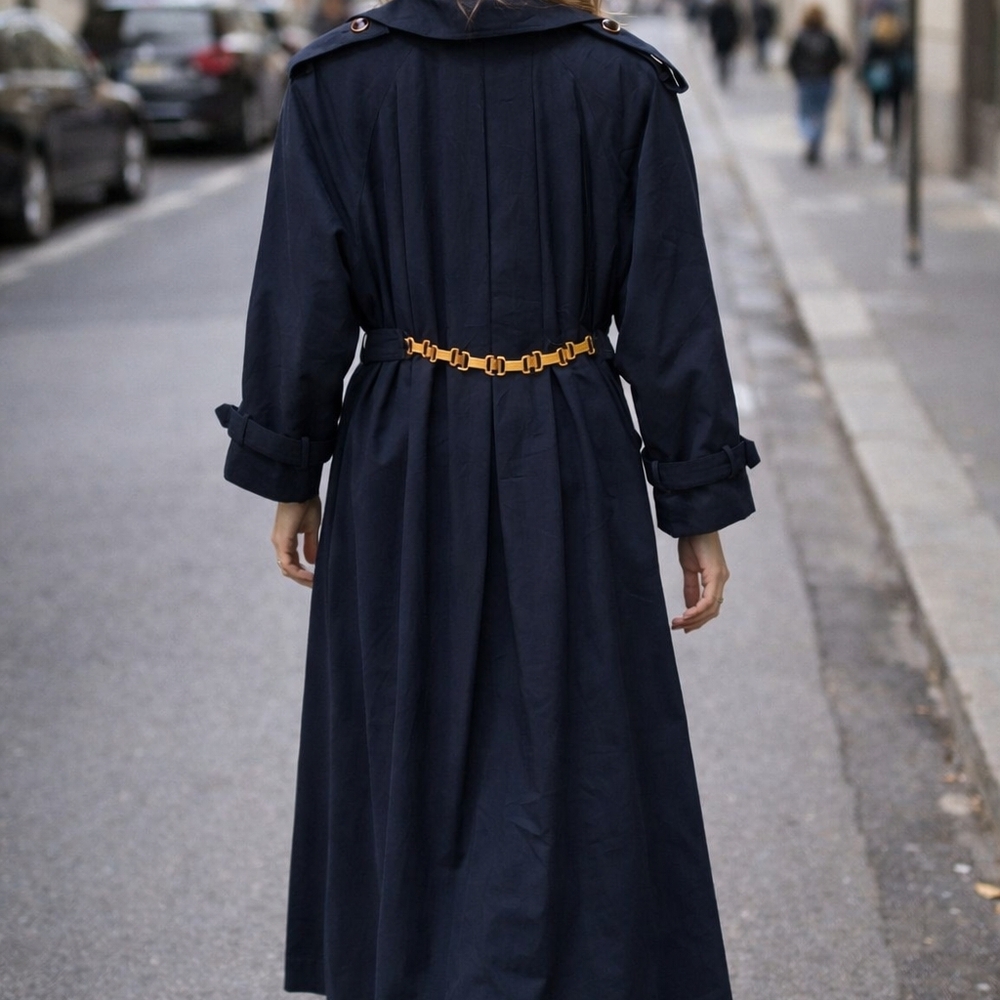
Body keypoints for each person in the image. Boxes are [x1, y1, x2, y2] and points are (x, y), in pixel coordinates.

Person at [217, 0, 759, 997]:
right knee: (582, 738)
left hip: (401, 454)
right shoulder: (621, 82)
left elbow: (303, 298)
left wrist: (290, 470)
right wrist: (696, 503)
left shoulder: (337, 81)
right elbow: (667, 311)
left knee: (410, 731)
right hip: (572, 446)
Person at [787, 3, 845, 165]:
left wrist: (799, 75)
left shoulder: (801, 36)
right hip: (823, 81)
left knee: (805, 113)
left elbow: (792, 60)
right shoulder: (828, 37)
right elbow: (838, 58)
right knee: (820, 115)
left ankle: (811, 139)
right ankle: (816, 143)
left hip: (806, 81)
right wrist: (828, 70)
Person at [861, 10, 911, 152]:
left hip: (878, 81)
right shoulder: (899, 38)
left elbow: (867, 61)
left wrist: (864, 79)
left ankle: (877, 139)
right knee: (896, 110)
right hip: (895, 82)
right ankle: (895, 138)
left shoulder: (876, 38)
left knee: (876, 110)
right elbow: (905, 60)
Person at [707, 0, 741, 85]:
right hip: (728, 36)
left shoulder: (717, 8)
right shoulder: (730, 9)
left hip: (720, 36)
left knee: (722, 56)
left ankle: (723, 72)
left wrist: (713, 35)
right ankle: (724, 72)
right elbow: (735, 23)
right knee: (726, 56)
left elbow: (712, 23)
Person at [750, 0, 777, 70]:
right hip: (762, 30)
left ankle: (761, 60)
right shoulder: (762, 8)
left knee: (762, 46)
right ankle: (761, 60)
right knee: (762, 46)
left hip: (762, 29)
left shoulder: (759, 8)